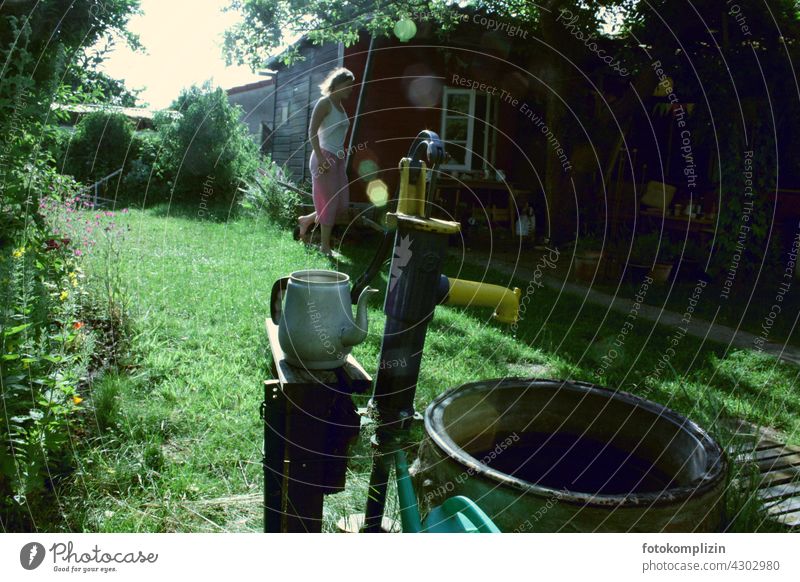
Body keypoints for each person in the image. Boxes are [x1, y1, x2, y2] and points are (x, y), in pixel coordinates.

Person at [297, 67, 355, 256]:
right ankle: (325, 247)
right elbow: (311, 132)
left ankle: (306, 220)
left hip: (337, 160)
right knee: (329, 203)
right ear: (336, 84)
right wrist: (321, 158)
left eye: (351, 86)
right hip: (323, 157)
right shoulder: (325, 103)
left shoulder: (340, 106)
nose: (350, 89)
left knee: (341, 204)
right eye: (348, 85)